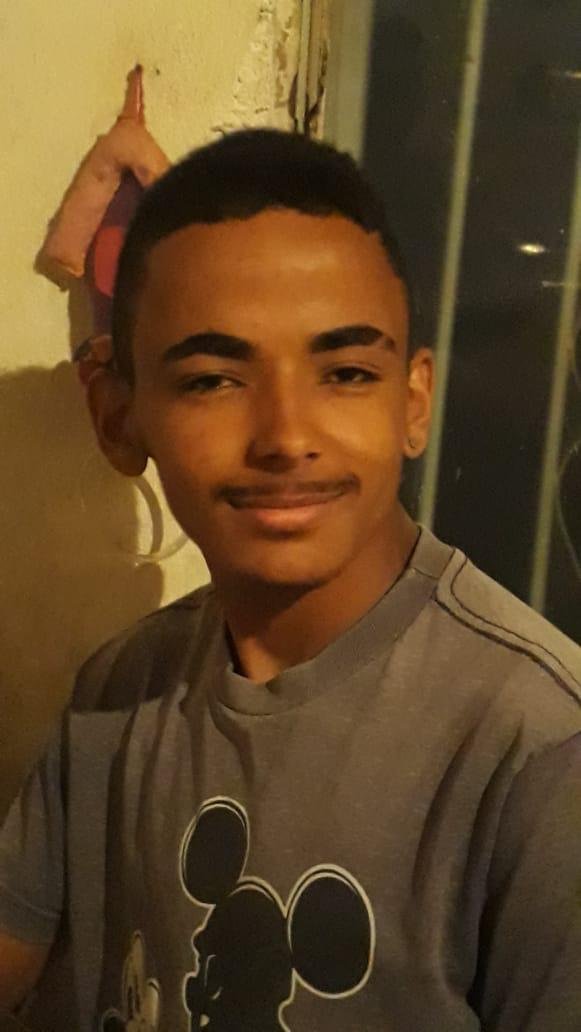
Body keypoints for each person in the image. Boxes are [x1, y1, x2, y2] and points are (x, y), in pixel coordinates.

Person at [0, 129, 580, 1032]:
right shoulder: (119, 690)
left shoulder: (535, 750)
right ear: (117, 417)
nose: (285, 436)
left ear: (411, 403)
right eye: (212, 380)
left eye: (345, 373)